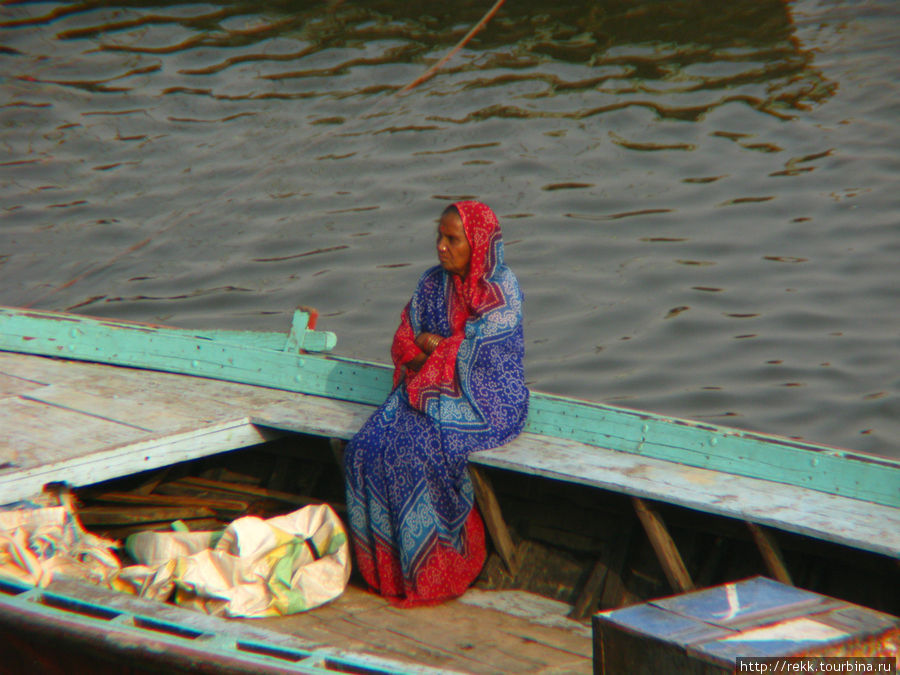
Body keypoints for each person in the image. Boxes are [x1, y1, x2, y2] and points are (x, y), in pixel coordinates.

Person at [344, 200, 529, 606]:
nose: (441, 247)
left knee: (412, 455)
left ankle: (437, 572)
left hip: (487, 402)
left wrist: (436, 350)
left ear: (477, 243)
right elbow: (403, 341)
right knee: (363, 451)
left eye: (452, 239)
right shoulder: (431, 284)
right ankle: (388, 575)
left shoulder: (501, 291)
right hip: (422, 392)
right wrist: (438, 352)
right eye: (439, 237)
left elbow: (480, 362)